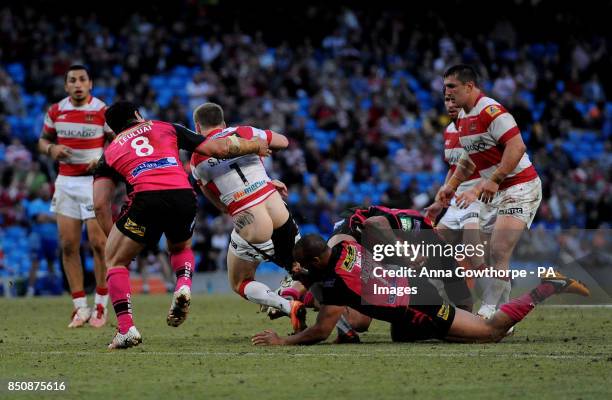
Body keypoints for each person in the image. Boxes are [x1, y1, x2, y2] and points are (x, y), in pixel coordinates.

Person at [93, 101, 269, 349]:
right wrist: (254, 146)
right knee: (180, 248)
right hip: (183, 195)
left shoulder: (109, 153)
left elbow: (100, 204)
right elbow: (218, 149)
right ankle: (184, 285)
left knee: (114, 261)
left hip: (146, 199)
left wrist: (115, 238)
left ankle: (126, 329)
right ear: (137, 114)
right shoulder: (166, 127)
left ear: (112, 129)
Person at [251, 234, 589, 346]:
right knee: (382, 329)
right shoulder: (342, 249)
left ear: (314, 260)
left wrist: (284, 341)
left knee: (490, 333)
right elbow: (329, 279)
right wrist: (307, 278)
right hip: (408, 289)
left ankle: (549, 286)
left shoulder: (337, 282)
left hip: (419, 306)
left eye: (306, 266)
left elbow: (322, 329)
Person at [435, 64, 542, 318]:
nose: (446, 93)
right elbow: (469, 158)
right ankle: (505, 316)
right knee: (491, 252)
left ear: (469, 86)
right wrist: (450, 186)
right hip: (495, 191)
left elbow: (516, 147)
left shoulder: (492, 112)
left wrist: (494, 179)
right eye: (444, 87)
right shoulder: (462, 117)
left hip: (520, 185)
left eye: (452, 86)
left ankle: (488, 310)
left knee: (498, 249)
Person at [190, 102, 306, 333]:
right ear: (223, 122)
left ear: (197, 126)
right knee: (301, 267)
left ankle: (285, 304)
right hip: (276, 207)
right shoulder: (245, 132)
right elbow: (283, 141)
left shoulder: (197, 158)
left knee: (239, 282)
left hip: (250, 219)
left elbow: (219, 204)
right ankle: (302, 296)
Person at [37, 65, 114, 328]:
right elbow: (43, 140)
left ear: (90, 83)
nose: (78, 84)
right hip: (66, 182)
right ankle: (80, 307)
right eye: (73, 80)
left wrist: (102, 160)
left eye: (82, 79)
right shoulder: (56, 110)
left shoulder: (102, 110)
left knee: (99, 244)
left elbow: (117, 142)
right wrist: (52, 149)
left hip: (94, 182)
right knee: (68, 245)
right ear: (66, 85)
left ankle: (101, 306)